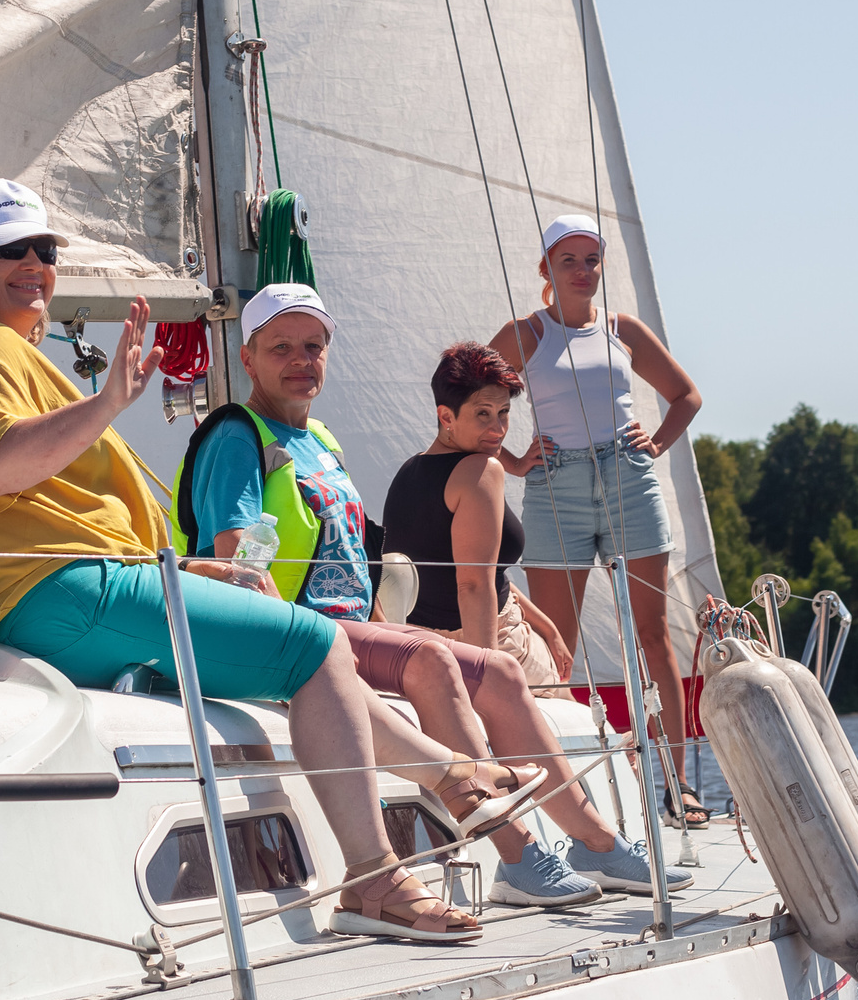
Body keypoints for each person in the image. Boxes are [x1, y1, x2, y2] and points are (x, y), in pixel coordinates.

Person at [0, 183, 494, 943]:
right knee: (315, 645)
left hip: (64, 593)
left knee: (315, 652)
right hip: (60, 592)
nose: (31, 263)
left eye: (44, 250)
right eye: (6, 250)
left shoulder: (3, 356)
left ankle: (450, 773)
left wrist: (190, 574)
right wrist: (110, 400)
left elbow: (58, 512)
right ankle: (380, 873)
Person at [184, 285, 681, 906]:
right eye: (281, 346)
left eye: (314, 346)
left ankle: (597, 843)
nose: (301, 359)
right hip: (293, 635)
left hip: (350, 628)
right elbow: (233, 559)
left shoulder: (323, 441)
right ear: (248, 354)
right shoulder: (238, 437)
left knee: (499, 670)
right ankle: (518, 853)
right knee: (432, 658)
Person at [383, 343, 693, 898]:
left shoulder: (411, 473)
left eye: (504, 414)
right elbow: (471, 583)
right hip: (484, 639)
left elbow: (469, 568)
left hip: (432, 638)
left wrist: (540, 619)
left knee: (545, 736)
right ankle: (593, 846)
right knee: (554, 733)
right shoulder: (480, 471)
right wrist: (484, 668)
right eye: (483, 414)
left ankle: (584, 846)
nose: (498, 428)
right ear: (445, 416)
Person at [488, 214, 709, 824]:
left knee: (654, 638)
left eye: (592, 260)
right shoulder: (524, 335)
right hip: (556, 484)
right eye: (569, 261)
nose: (583, 272)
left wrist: (658, 443)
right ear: (547, 270)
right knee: (556, 646)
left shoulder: (622, 330)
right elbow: (463, 399)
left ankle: (678, 784)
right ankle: (568, 793)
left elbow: (685, 395)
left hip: (627, 477)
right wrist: (511, 460)